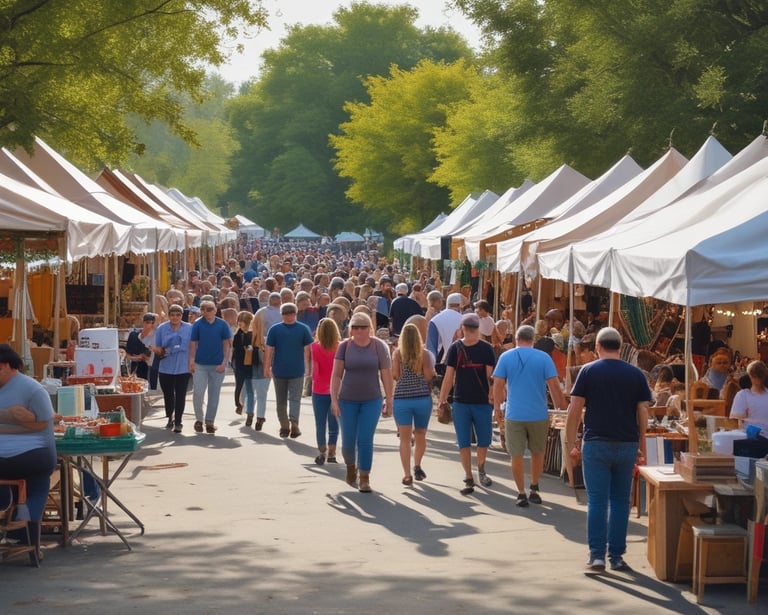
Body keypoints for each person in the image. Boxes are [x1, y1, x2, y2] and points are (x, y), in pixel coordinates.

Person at [565, 327, 651, 574]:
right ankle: (616, 556)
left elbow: (575, 409)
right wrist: (642, 446)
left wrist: (572, 443)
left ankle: (597, 557)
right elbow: (642, 412)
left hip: (596, 443)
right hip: (627, 444)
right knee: (621, 501)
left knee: (597, 502)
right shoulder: (636, 375)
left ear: (598, 348)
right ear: (621, 346)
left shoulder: (588, 371)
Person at [493, 325, 567, 507]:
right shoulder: (544, 358)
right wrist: (561, 409)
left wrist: (497, 408)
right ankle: (534, 487)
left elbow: (498, 385)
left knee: (516, 454)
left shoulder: (505, 357)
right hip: (538, 413)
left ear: (517, 339)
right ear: (533, 340)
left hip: (514, 413)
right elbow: (554, 386)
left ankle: (520, 492)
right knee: (538, 451)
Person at [0, 344, 56, 557]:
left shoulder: (30, 389)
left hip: (9, 462)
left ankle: (19, 531)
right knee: (37, 488)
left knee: (19, 490)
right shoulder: (34, 389)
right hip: (34, 458)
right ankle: (23, 531)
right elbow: (45, 421)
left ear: (5, 366)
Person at [331, 312, 393, 493]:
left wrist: (390, 399)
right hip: (347, 400)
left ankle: (365, 477)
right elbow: (336, 375)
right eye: (355, 327)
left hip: (371, 400)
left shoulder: (378, 346)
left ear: (369, 329)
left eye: (363, 327)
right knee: (349, 441)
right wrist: (334, 400)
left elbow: (386, 374)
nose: (359, 331)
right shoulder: (344, 347)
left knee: (365, 439)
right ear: (351, 329)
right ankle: (351, 466)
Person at [437, 312, 496, 496]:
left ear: (463, 328)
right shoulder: (463, 348)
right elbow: (490, 378)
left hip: (471, 401)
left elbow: (449, 377)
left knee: (476, 440)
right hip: (469, 402)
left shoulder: (481, 349)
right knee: (471, 440)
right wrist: (443, 399)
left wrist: (443, 399)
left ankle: (475, 472)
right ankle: (473, 473)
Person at [392, 322, 434, 486]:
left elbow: (395, 375)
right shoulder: (424, 354)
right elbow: (429, 375)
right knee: (421, 434)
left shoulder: (397, 354)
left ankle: (407, 474)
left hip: (402, 398)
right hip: (422, 397)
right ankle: (417, 465)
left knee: (404, 438)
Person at [264, 302, 313, 438]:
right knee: (283, 399)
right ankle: (286, 424)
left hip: (296, 370)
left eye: (292, 313)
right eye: (286, 313)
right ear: (282, 315)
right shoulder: (275, 330)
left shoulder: (303, 329)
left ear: (295, 314)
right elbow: (269, 349)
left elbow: (307, 350)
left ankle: (292, 423)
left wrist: (308, 367)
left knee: (292, 399)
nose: (289, 316)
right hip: (280, 369)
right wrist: (267, 367)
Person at [189, 299, 233, 434]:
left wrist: (224, 362)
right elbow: (193, 343)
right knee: (198, 393)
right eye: (203, 309)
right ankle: (198, 420)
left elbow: (227, 344)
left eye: (209, 309)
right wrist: (191, 360)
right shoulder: (197, 324)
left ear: (215, 310)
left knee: (214, 394)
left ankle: (209, 422)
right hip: (200, 364)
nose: (206, 312)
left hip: (217, 364)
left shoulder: (222, 324)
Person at [153, 303, 193, 432]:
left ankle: (179, 421)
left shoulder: (189, 328)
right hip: (166, 367)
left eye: (178, 315)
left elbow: (194, 346)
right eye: (172, 315)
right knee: (168, 395)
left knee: (181, 395)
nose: (175, 318)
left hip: (183, 367)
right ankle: (170, 416)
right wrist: (160, 350)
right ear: (169, 316)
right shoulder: (162, 328)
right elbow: (157, 347)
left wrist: (193, 362)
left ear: (182, 315)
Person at [310, 318, 340, 464]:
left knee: (320, 423)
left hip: (319, 389)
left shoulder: (315, 347)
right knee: (334, 423)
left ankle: (322, 450)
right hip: (336, 391)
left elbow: (315, 372)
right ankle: (332, 452)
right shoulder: (340, 347)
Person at [730, 360, 768, 435]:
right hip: (748, 436)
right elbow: (735, 420)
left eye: (759, 375)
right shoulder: (742, 395)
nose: (757, 379)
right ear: (750, 376)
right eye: (754, 375)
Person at [231, 311, 255, 424]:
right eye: (240, 323)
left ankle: (248, 409)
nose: (242, 326)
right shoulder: (238, 334)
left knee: (249, 387)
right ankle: (238, 404)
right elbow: (236, 347)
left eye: (244, 323)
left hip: (250, 363)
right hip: (240, 363)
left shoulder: (253, 333)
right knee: (239, 384)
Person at [124, 312, 157, 388]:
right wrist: (138, 357)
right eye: (148, 322)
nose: (150, 325)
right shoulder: (134, 335)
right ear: (143, 322)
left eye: (152, 323)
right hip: (137, 369)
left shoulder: (156, 337)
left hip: (152, 370)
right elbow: (126, 355)